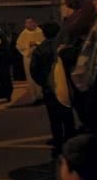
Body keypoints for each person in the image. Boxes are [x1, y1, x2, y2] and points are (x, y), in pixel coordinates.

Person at [30, 22, 75, 158]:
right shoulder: (64, 46)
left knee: (54, 118)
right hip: (66, 86)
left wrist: (43, 82)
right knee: (68, 116)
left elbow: (34, 69)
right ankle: (71, 143)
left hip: (49, 89)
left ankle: (58, 144)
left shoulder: (40, 49)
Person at [16, 17, 45, 104]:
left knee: (40, 75)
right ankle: (34, 97)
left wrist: (37, 43)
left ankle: (42, 95)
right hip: (28, 57)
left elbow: (44, 42)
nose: (29, 24)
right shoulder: (24, 33)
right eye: (27, 23)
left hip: (39, 57)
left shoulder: (40, 32)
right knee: (30, 77)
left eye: (30, 22)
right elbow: (19, 45)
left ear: (34, 23)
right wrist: (28, 44)